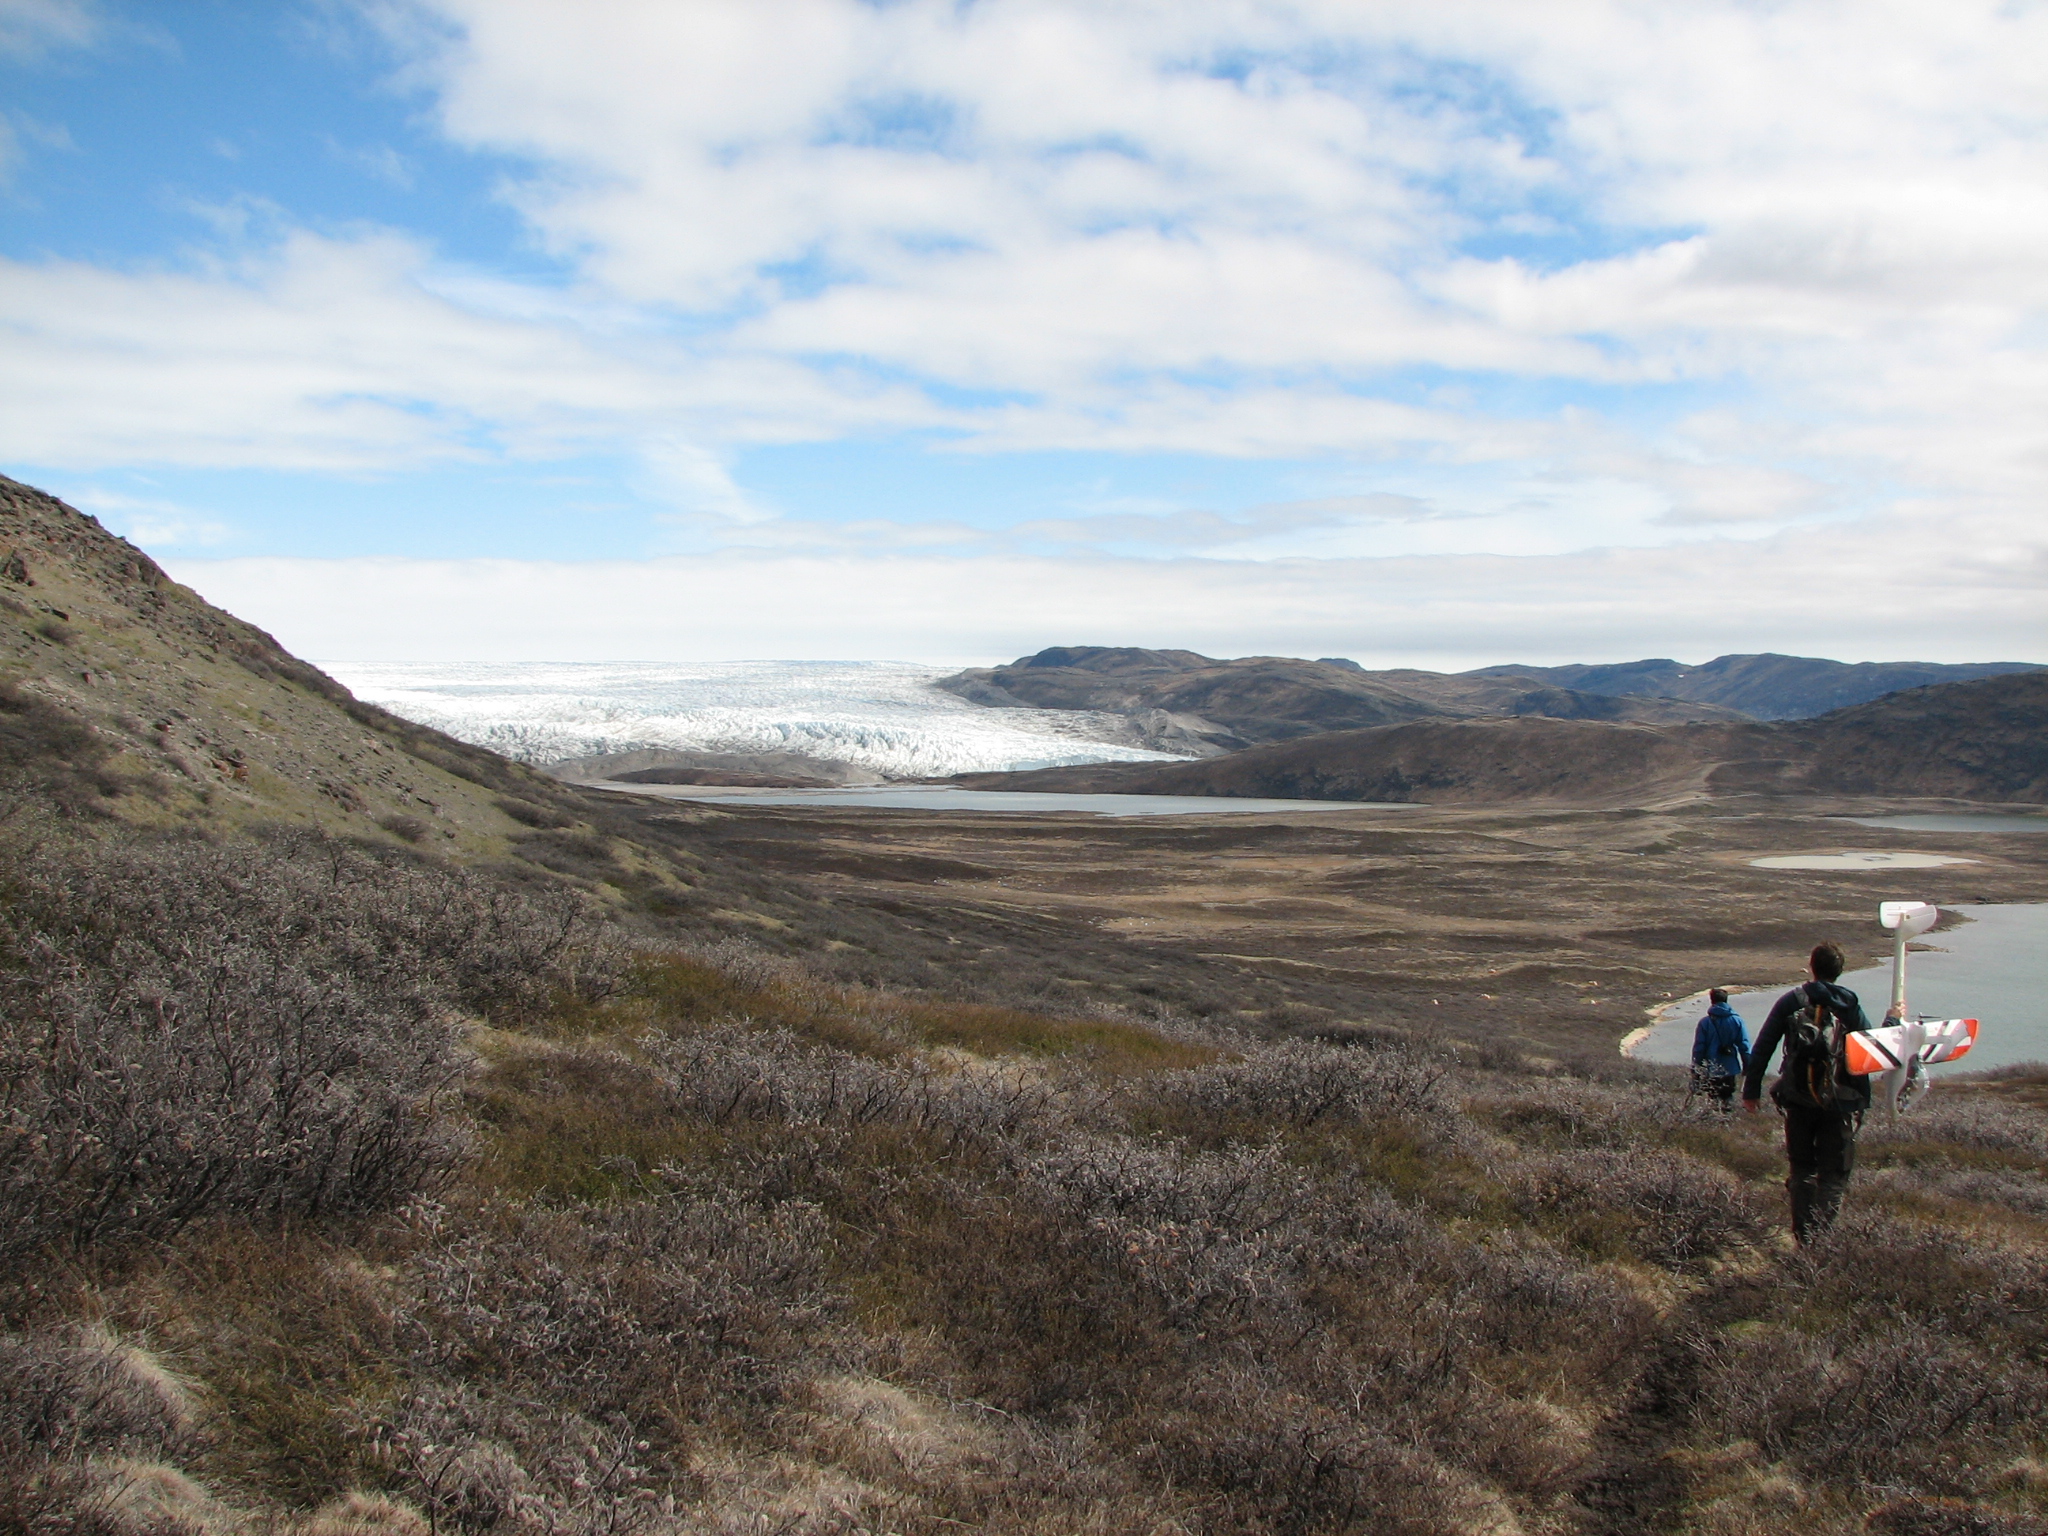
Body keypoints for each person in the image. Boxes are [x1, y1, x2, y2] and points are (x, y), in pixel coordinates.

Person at [1742, 941, 1897, 1244]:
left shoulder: (1791, 1001)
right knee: (1833, 1176)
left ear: (1811, 967)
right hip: (1841, 1103)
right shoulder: (1848, 1004)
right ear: (1840, 971)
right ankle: (1821, 1242)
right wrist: (1893, 1020)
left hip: (1798, 1099)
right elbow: (1873, 1048)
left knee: (1802, 1170)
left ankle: (1802, 1239)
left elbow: (1763, 1047)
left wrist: (1752, 1091)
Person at [1690, 988, 1750, 1112]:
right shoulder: (1737, 1021)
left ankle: (1714, 1119)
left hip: (1711, 1068)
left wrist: (1696, 1068)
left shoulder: (1705, 1023)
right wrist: (1747, 1066)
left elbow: (1699, 1048)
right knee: (1728, 1097)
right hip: (1730, 1067)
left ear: (1712, 1000)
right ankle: (1727, 1119)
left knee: (1712, 1098)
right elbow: (1744, 1045)